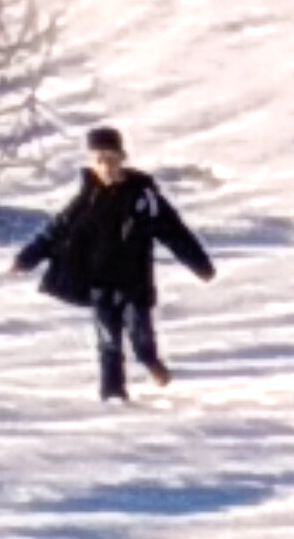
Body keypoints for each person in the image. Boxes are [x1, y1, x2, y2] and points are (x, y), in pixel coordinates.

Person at [16, 125, 217, 403]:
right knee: (108, 343)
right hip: (98, 283)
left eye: (111, 159)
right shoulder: (86, 199)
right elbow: (55, 231)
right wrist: (27, 258)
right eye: (99, 160)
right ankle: (113, 397)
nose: (106, 166)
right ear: (92, 162)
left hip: (134, 284)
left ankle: (151, 362)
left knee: (140, 340)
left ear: (122, 158)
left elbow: (174, 231)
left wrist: (199, 264)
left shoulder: (142, 198)